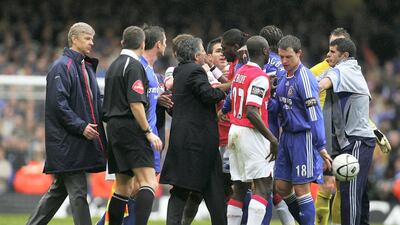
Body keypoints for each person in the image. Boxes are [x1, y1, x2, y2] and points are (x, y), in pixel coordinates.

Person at [26, 22, 107, 225]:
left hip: (75, 144)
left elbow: (96, 102)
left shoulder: (84, 67)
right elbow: (57, 106)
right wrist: (81, 126)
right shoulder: (62, 66)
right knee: (79, 194)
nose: (92, 42)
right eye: (87, 38)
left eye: (92, 38)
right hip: (68, 144)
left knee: (57, 193)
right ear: (74, 39)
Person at [160, 37, 229, 225]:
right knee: (191, 190)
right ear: (197, 55)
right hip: (198, 141)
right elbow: (209, 95)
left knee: (203, 189)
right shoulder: (195, 70)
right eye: (202, 51)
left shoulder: (179, 70)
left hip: (188, 139)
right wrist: (231, 86)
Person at [102, 26, 163, 225]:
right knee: (148, 182)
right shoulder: (134, 65)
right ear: (143, 43)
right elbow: (135, 103)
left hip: (114, 130)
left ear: (122, 42)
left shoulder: (112, 65)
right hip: (131, 128)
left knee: (123, 187)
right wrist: (147, 132)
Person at [274, 35, 332, 225]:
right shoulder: (282, 76)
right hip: (286, 137)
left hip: (303, 138)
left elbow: (314, 114)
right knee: (281, 186)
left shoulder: (305, 77)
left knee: (301, 189)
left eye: (288, 57)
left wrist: (320, 145)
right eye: (281, 57)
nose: (284, 61)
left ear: (299, 54)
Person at [319, 38, 376, 225]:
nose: (328, 54)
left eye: (332, 51)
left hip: (357, 140)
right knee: (358, 192)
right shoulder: (346, 70)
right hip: (354, 139)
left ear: (345, 56)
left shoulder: (346, 69)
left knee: (349, 193)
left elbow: (321, 84)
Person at [226, 35, 278, 225]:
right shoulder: (260, 77)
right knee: (263, 186)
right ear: (265, 52)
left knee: (239, 187)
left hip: (234, 129)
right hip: (250, 133)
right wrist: (273, 139)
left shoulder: (240, 72)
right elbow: (252, 111)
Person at [259, 25, 296, 225]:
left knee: (260, 185)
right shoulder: (283, 65)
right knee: (272, 186)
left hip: (258, 128)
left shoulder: (257, 62)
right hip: (277, 129)